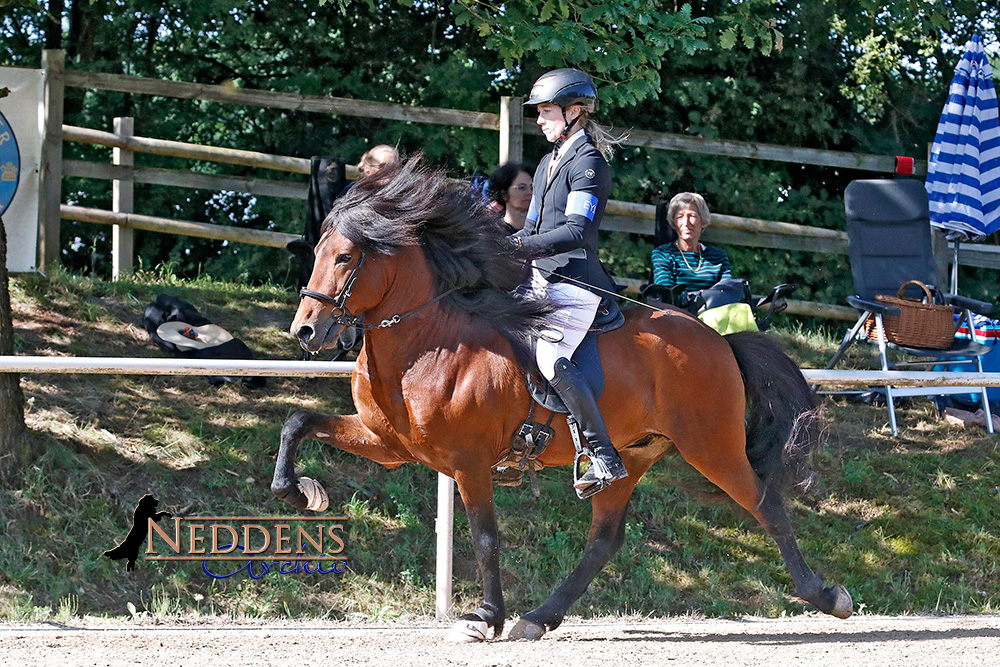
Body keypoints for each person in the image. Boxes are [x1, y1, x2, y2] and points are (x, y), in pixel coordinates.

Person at [513, 68, 628, 499]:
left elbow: (578, 231)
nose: (539, 120)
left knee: (548, 356)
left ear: (574, 112)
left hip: (576, 282)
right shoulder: (546, 163)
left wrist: (521, 250)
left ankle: (603, 454)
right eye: (539, 112)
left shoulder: (589, 165)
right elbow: (531, 227)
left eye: (546, 112)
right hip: (540, 276)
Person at [651, 192, 732, 295]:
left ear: (703, 221)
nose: (686, 223)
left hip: (715, 310)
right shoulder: (663, 254)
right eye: (680, 217)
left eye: (692, 216)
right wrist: (707, 298)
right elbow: (667, 294)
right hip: (677, 311)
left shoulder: (718, 257)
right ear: (674, 223)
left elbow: (727, 292)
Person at [488, 162, 534, 232]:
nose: (529, 192)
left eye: (532, 187)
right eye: (522, 188)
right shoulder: (494, 233)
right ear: (504, 194)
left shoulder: (542, 230)